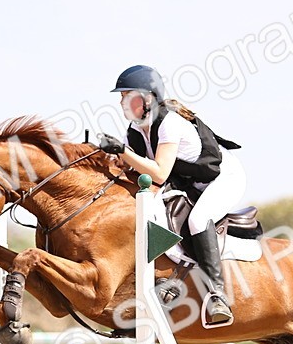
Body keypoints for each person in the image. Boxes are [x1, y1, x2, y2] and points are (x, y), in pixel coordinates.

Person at [97, 64, 245, 327]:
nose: (122, 103)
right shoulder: (135, 131)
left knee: (198, 220)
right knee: (148, 209)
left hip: (223, 178)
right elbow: (129, 168)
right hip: (189, 183)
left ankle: (217, 294)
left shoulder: (170, 124)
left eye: (127, 96)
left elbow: (160, 173)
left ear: (148, 98)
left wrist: (123, 151)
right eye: (120, 98)